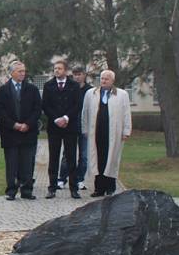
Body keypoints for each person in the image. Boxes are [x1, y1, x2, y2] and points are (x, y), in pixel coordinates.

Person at [0, 60, 42, 200]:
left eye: (24, 71)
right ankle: (11, 190)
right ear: (12, 73)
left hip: (28, 132)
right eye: (20, 71)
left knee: (27, 163)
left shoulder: (32, 89)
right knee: (12, 163)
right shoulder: (2, 90)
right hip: (10, 133)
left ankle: (27, 190)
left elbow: (37, 109)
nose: (23, 73)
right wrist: (14, 125)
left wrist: (27, 124)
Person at [81, 69, 132, 197]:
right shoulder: (91, 93)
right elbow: (85, 112)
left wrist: (126, 130)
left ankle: (110, 187)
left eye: (106, 79)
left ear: (112, 81)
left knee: (111, 158)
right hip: (96, 132)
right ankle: (99, 188)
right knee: (98, 159)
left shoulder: (122, 94)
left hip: (114, 132)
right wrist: (85, 129)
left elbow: (126, 113)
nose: (103, 81)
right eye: (102, 78)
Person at [42, 60, 82, 199]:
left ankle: (73, 188)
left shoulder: (74, 86)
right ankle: (52, 187)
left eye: (59, 68)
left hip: (69, 126)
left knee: (71, 157)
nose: (57, 71)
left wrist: (66, 118)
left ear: (65, 70)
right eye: (55, 68)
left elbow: (77, 105)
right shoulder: (48, 86)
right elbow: (46, 105)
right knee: (53, 157)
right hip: (54, 127)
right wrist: (56, 119)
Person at [59, 66, 92, 190]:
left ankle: (79, 179)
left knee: (84, 156)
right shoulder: (69, 88)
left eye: (79, 74)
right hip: (71, 126)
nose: (77, 77)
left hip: (85, 127)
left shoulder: (90, 90)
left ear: (84, 75)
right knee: (67, 154)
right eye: (75, 74)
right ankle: (62, 178)